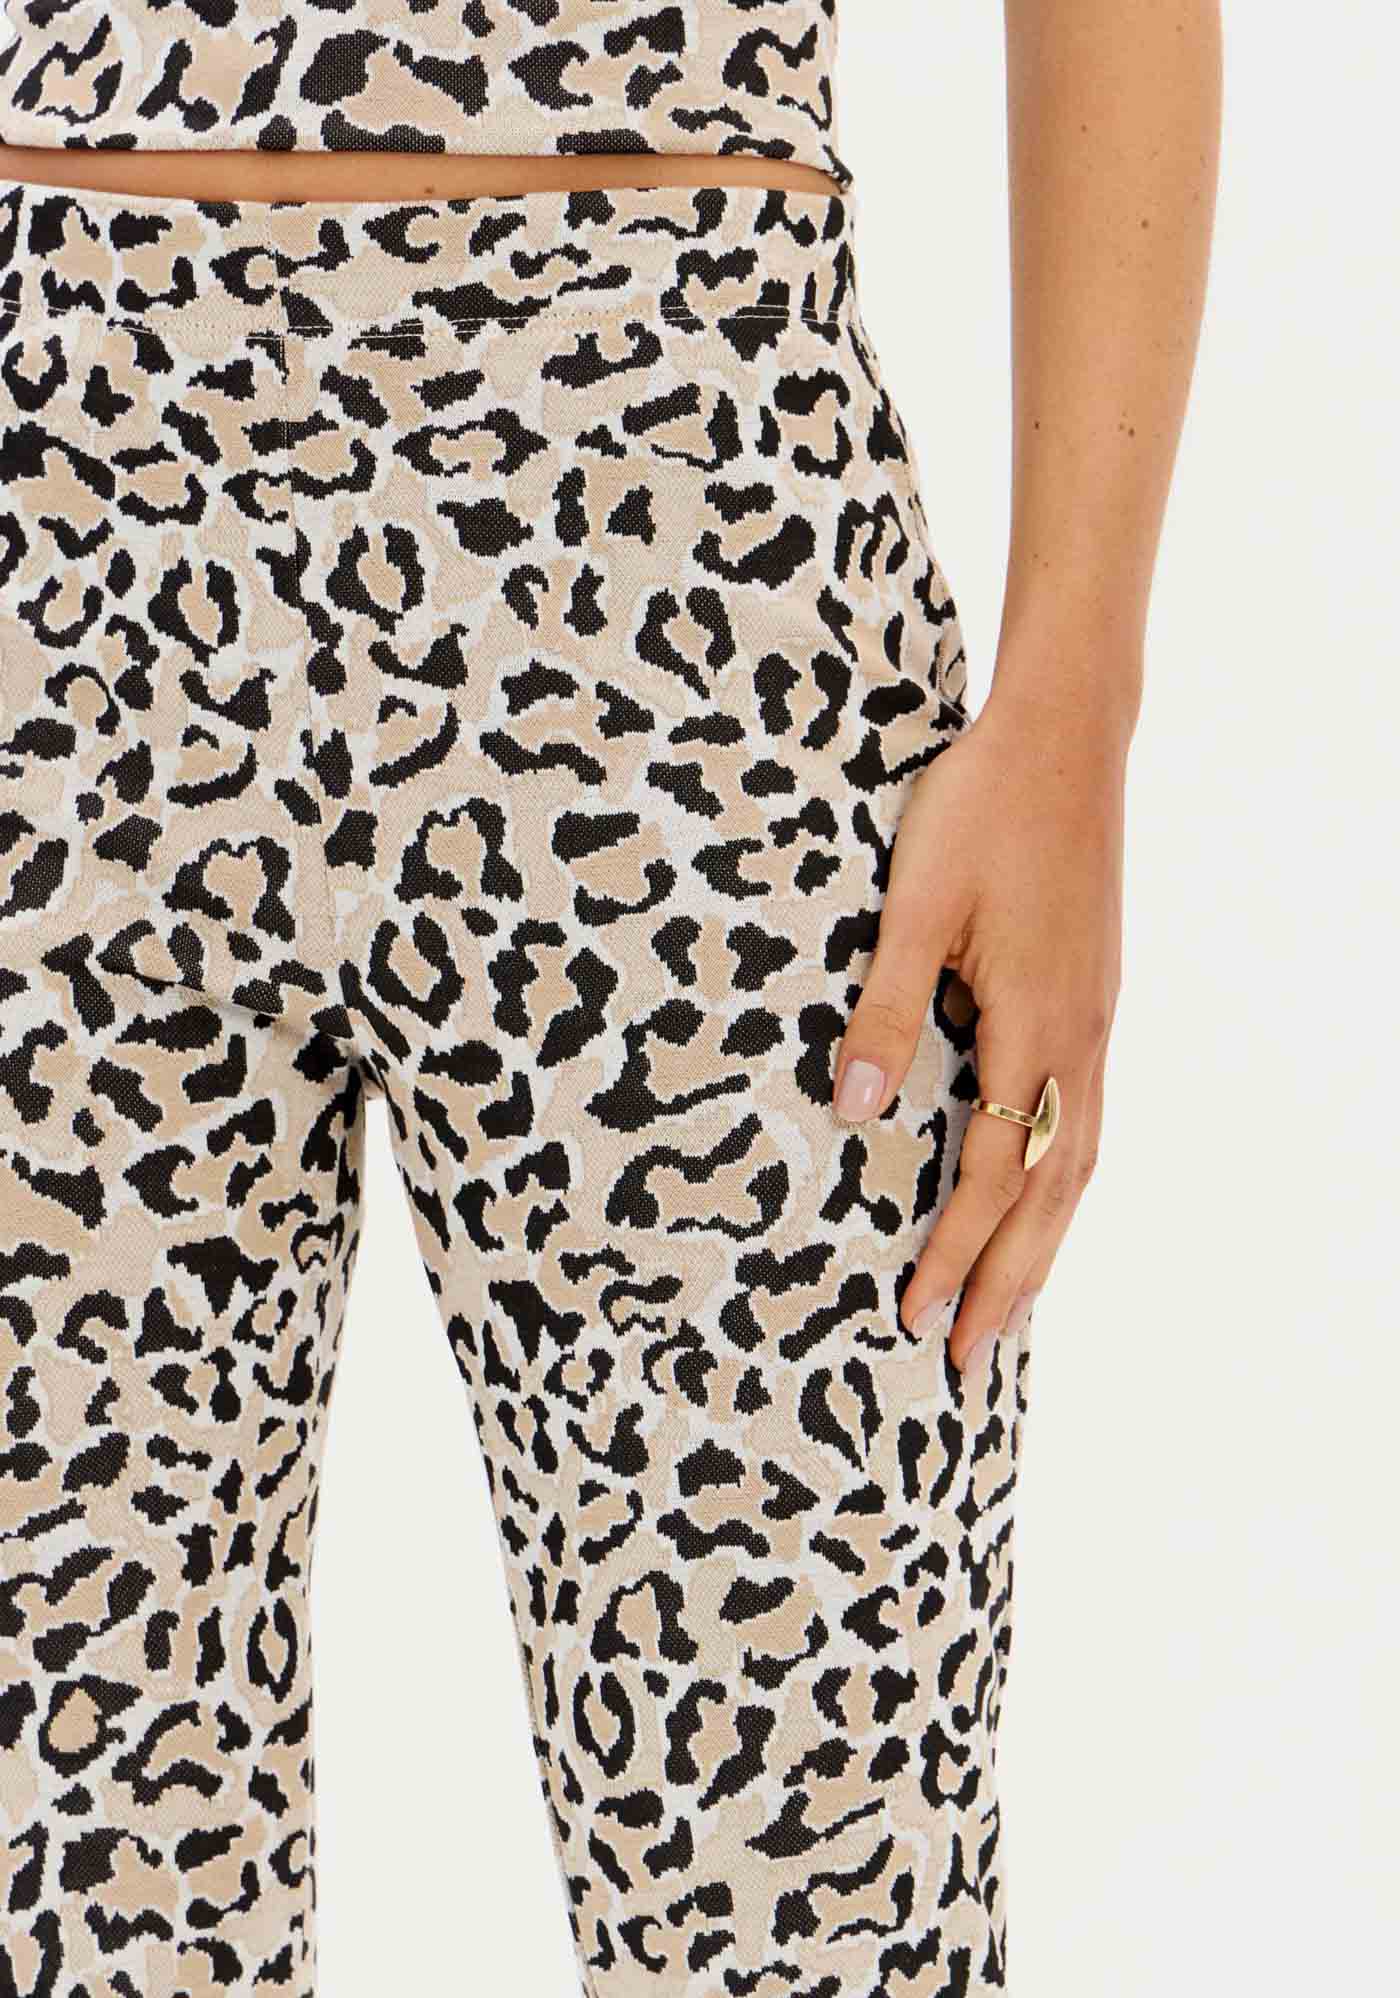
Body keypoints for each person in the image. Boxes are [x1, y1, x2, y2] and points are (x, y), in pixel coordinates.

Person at [0, 5, 1221, 1993]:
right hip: (52, 550)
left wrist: (1074, 714)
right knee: (61, 1892)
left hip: (678, 572)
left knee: (806, 1899)